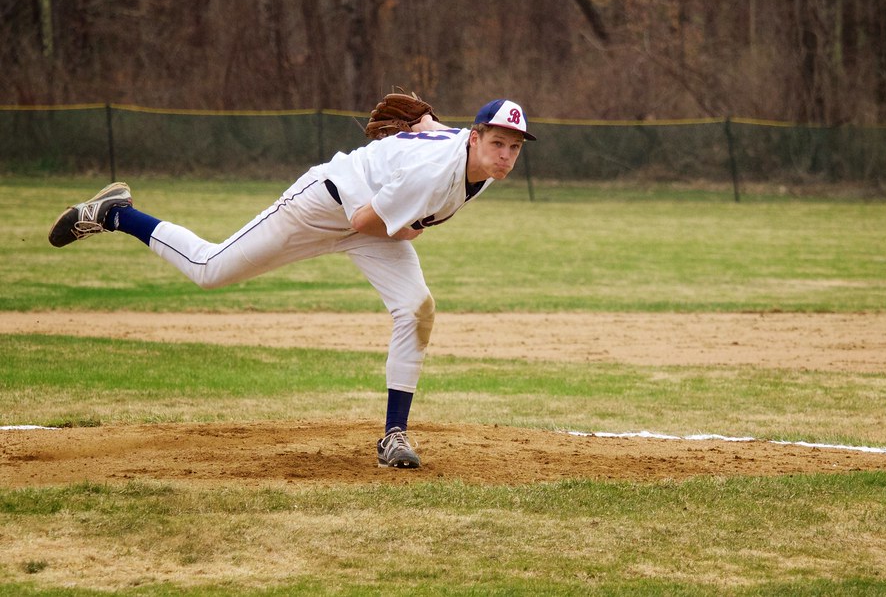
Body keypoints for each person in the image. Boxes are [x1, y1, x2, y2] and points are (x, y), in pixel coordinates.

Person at [47, 98, 536, 469]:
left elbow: (432, 128)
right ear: (475, 138)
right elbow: (368, 221)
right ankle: (116, 214)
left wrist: (422, 124)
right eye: (497, 142)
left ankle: (394, 435)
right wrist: (411, 226)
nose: (506, 154)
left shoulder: (477, 162)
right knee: (210, 270)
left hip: (368, 218)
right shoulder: (432, 176)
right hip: (323, 206)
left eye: (514, 146)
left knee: (416, 307)